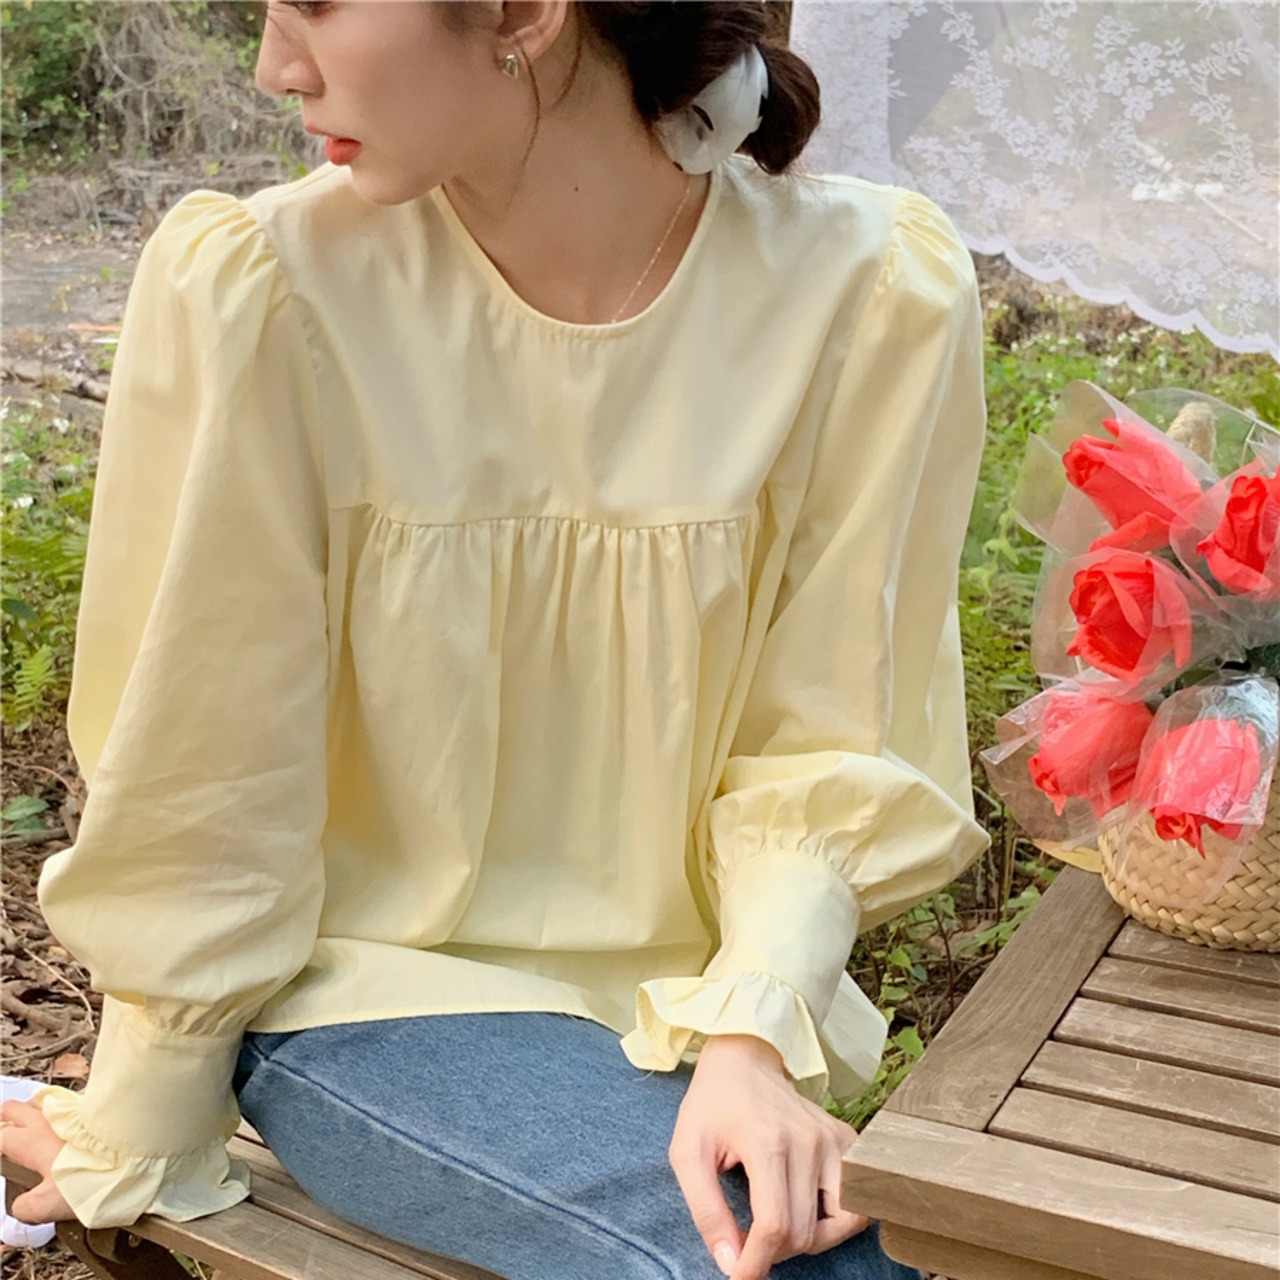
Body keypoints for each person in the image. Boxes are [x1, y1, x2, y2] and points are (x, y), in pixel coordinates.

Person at [0, 3, 989, 1277]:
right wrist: (142, 1112)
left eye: (313, 5)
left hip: (683, 1017)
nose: (273, 66)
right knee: (781, 1265)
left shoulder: (868, 287)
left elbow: (829, 726)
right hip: (370, 995)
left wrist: (750, 1033)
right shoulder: (270, 287)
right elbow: (209, 754)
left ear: (522, 12)